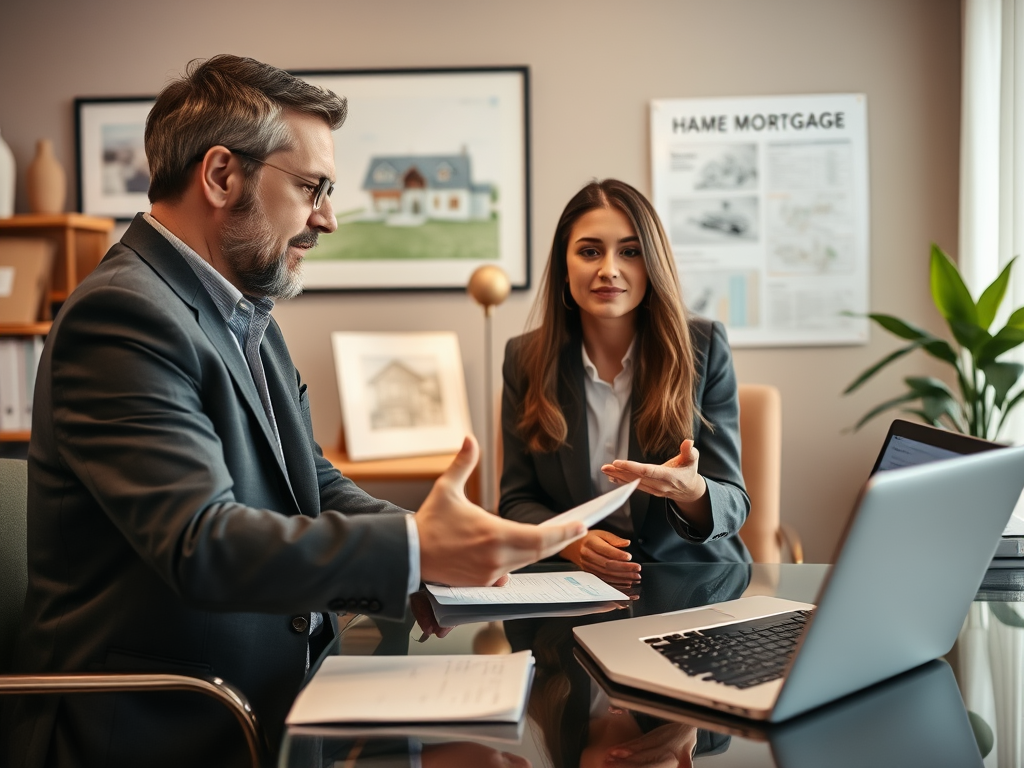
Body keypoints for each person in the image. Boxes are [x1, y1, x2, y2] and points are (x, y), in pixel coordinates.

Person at [2, 55, 582, 768]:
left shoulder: (248, 315)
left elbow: (306, 477)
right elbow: (200, 543)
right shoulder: (123, 316)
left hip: (283, 699)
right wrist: (413, 550)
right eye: (313, 187)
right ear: (221, 176)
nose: (328, 218)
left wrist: (423, 548)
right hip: (172, 725)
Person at [498, 179, 750, 585]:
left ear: (651, 265)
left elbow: (733, 502)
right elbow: (516, 500)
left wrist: (690, 492)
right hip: (572, 584)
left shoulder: (704, 346)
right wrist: (571, 542)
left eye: (630, 252)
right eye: (590, 251)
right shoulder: (524, 358)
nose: (608, 269)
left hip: (688, 580)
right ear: (565, 266)